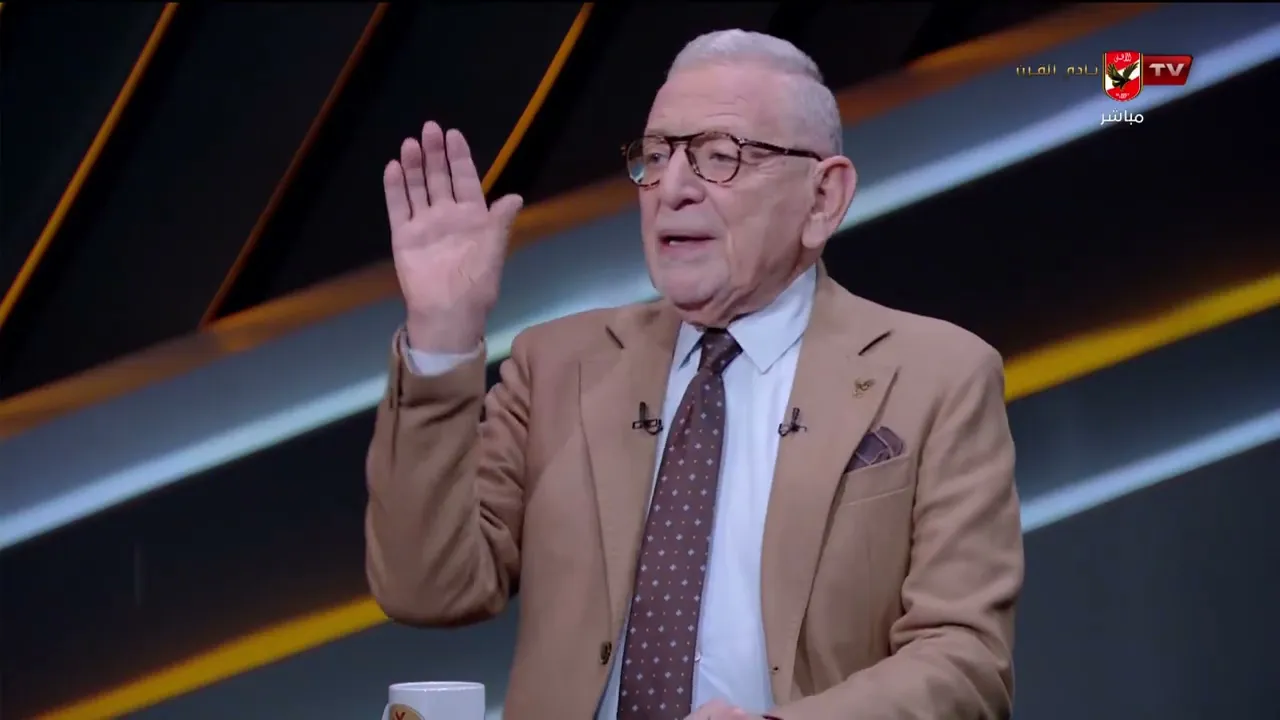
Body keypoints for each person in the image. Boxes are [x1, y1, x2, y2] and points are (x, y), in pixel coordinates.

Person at [366, 29, 1023, 720]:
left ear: (823, 198)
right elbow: (427, 588)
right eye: (655, 157)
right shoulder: (557, 365)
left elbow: (965, 661)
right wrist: (441, 336)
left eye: (720, 157)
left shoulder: (936, 377)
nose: (672, 189)